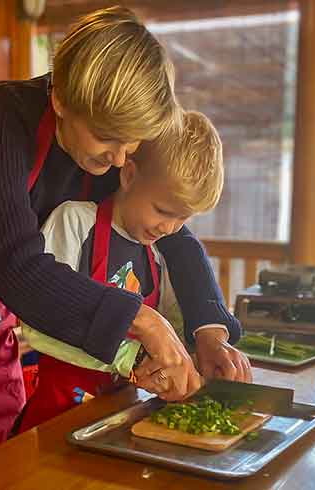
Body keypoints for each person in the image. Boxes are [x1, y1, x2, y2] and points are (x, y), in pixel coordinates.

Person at [0, 7, 248, 489]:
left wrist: (210, 330)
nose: (120, 159)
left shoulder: (109, 144)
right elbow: (15, 265)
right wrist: (144, 320)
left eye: (131, 145)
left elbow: (179, 239)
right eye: (108, 140)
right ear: (61, 99)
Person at [16, 110, 251, 432]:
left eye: (183, 219)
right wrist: (132, 357)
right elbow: (38, 326)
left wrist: (199, 351)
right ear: (128, 175)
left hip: (124, 409)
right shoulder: (75, 221)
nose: (170, 228)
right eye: (163, 210)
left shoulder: (159, 248)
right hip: (60, 412)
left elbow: (172, 321)